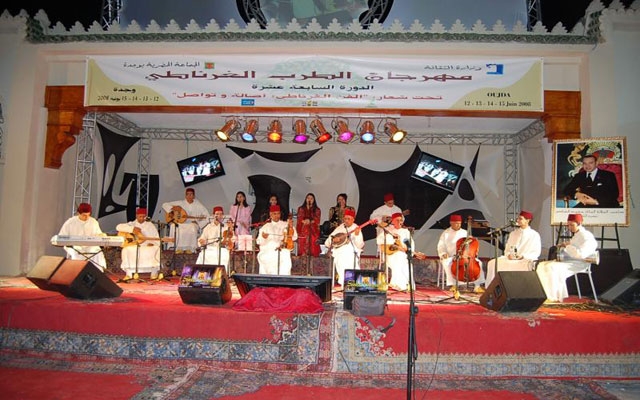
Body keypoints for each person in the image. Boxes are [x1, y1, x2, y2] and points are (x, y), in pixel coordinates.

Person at [536, 213, 598, 302]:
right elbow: (573, 246)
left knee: (552, 267)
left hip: (580, 262)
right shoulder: (577, 235)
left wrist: (567, 246)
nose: (569, 227)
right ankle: (545, 295)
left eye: (572, 225)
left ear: (579, 223)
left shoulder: (586, 236)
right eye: (568, 225)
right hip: (570, 260)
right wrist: (565, 245)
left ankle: (555, 297)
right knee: (542, 265)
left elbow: (581, 255)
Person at [485, 211, 541, 287]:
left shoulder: (534, 235)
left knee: (520, 265)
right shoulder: (513, 233)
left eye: (520, 219)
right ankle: (492, 288)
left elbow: (536, 252)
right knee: (493, 263)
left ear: (527, 220)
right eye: (518, 218)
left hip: (525, 260)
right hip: (511, 259)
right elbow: (507, 249)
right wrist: (509, 255)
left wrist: (522, 256)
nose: (517, 220)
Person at [436, 214, 485, 289]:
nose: (458, 225)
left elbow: (471, 246)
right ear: (451, 223)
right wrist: (443, 253)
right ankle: (453, 285)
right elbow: (441, 246)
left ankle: (477, 286)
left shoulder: (465, 232)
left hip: (464, 256)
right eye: (456, 223)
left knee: (479, 263)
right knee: (447, 263)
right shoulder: (445, 233)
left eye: (459, 223)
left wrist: (471, 242)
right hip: (451, 256)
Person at [57, 202, 107, 272]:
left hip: (89, 245)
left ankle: (97, 272)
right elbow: (62, 236)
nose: (86, 217)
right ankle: (78, 272)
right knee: (77, 252)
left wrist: (102, 236)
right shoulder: (70, 222)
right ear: (78, 213)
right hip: (74, 245)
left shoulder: (93, 222)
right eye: (84, 215)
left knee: (97, 251)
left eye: (88, 215)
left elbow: (98, 234)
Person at [116, 207, 162, 280]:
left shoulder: (150, 225)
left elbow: (156, 237)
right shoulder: (132, 224)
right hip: (134, 244)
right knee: (126, 250)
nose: (142, 218)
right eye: (140, 216)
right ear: (136, 216)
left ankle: (154, 272)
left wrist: (152, 243)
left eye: (143, 217)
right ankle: (129, 274)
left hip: (147, 245)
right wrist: (132, 229)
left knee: (155, 249)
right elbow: (118, 227)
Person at [325, 208, 365, 287]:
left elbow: (360, 245)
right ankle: (344, 282)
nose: (346, 220)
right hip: (339, 251)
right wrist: (333, 240)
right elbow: (328, 241)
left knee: (348, 253)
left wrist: (357, 235)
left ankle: (352, 281)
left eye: (348, 219)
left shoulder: (356, 228)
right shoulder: (340, 227)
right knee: (341, 258)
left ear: (353, 220)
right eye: (345, 218)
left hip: (351, 252)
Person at [161, 188, 210, 253]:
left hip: (192, 224)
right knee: (173, 226)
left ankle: (190, 248)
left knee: (192, 227)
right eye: (187, 194)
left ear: (194, 196)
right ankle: (176, 248)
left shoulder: (198, 205)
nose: (189, 196)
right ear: (185, 195)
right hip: (180, 223)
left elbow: (207, 216)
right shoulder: (181, 203)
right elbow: (164, 204)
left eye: (191, 194)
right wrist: (172, 208)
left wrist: (198, 223)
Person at [376, 212, 414, 291]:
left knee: (404, 260)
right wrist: (391, 246)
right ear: (392, 221)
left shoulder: (405, 231)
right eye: (397, 220)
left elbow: (410, 245)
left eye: (400, 220)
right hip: (390, 255)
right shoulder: (388, 230)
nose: (399, 222)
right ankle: (400, 285)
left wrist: (405, 248)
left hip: (403, 254)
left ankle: (404, 284)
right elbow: (379, 241)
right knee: (399, 258)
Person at [256, 205, 297, 275]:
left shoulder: (285, 224)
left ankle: (283, 279)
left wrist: (291, 227)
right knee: (270, 256)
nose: (277, 216)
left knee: (286, 254)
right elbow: (259, 241)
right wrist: (264, 237)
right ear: (270, 214)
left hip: (282, 250)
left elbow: (294, 237)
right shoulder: (265, 227)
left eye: (278, 213)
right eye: (274, 214)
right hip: (268, 251)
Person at [196, 206, 235, 275]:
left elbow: (232, 239)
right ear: (213, 215)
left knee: (224, 254)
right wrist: (201, 241)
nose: (219, 216)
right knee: (202, 254)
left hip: (222, 250)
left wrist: (231, 230)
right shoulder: (208, 227)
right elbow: (202, 238)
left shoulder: (226, 227)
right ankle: (203, 275)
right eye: (217, 214)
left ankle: (222, 275)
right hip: (209, 249)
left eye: (221, 214)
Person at [296, 192, 321, 257]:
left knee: (312, 240)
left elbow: (317, 219)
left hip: (313, 230)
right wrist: (304, 221)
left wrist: (310, 221)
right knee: (303, 238)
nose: (309, 199)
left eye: (311, 198)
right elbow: (299, 218)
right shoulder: (301, 208)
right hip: (303, 228)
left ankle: (312, 258)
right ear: (306, 199)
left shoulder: (317, 209)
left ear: (314, 200)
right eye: (308, 198)